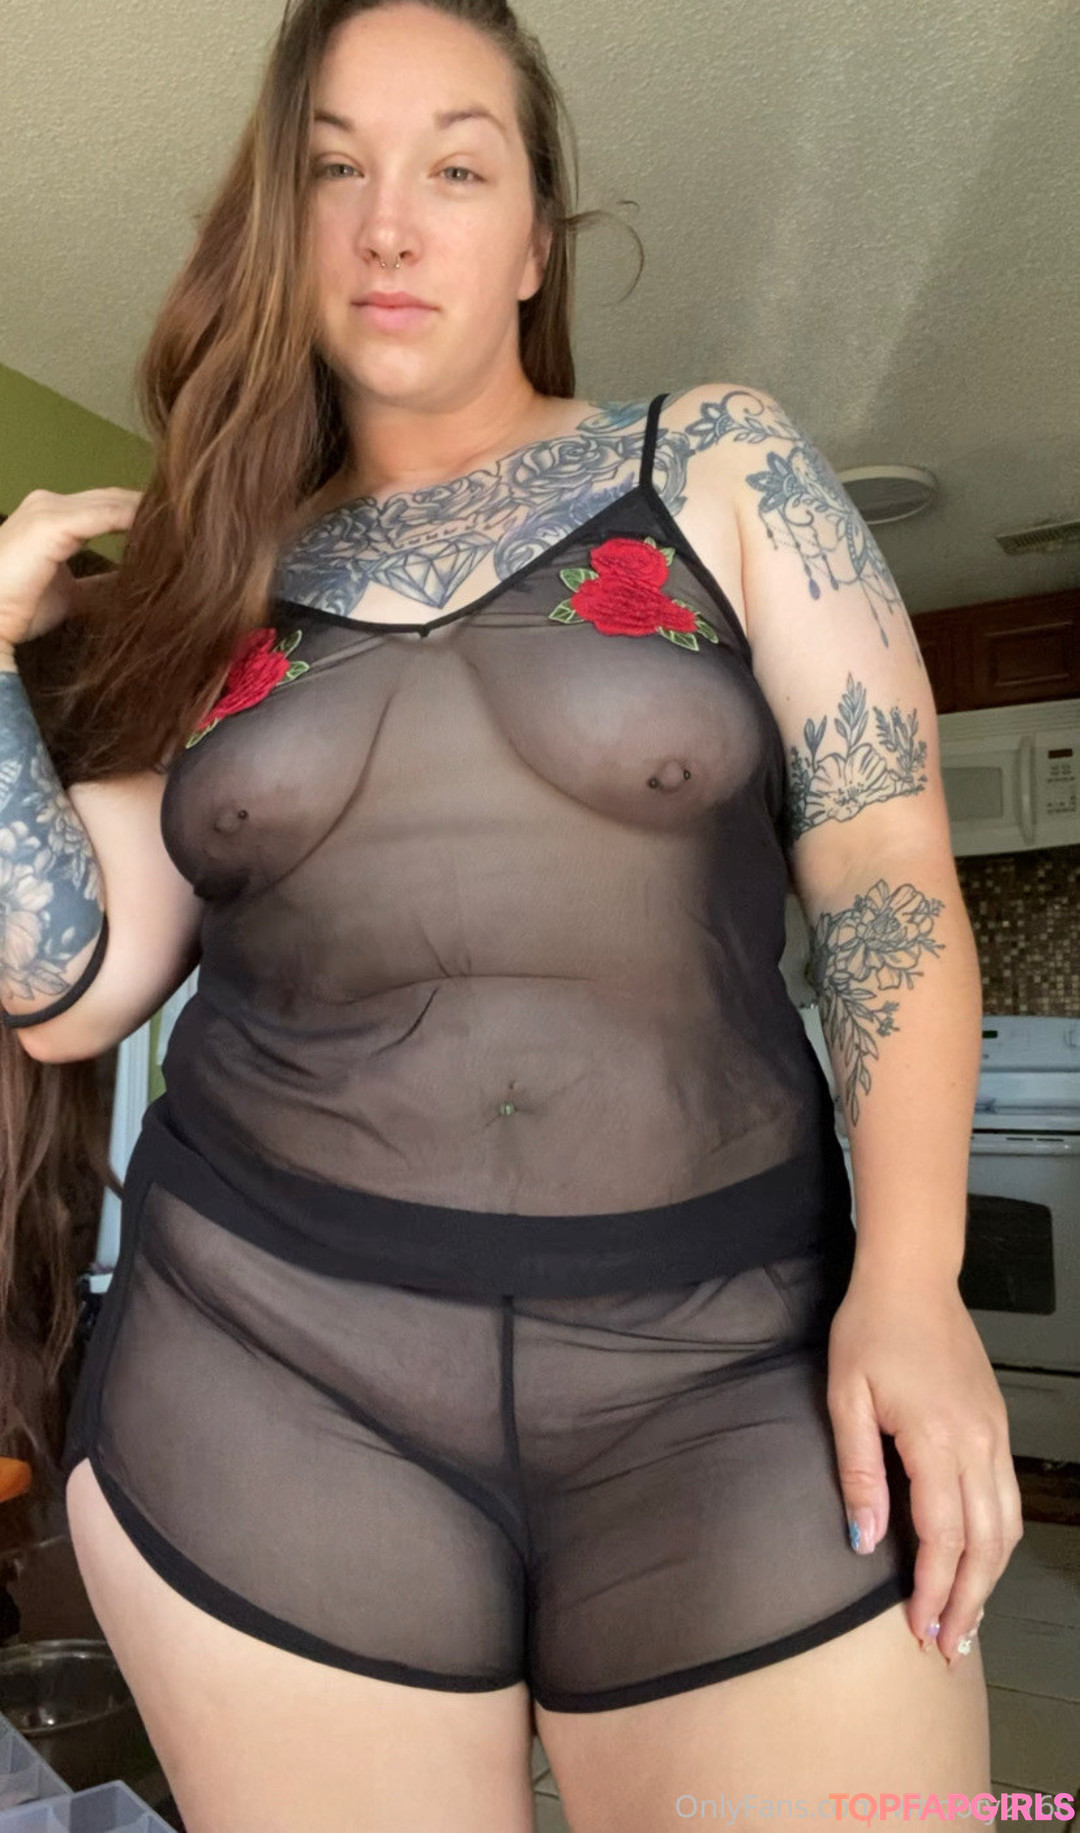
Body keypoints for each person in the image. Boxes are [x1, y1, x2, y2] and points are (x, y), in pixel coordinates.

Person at [0, 1, 1022, 1827]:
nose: (391, 223)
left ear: (538, 237)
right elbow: (61, 982)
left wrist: (915, 1281)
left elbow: (882, 870)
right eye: (336, 168)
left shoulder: (719, 461)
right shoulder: (218, 579)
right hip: (269, 1370)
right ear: (282, 222)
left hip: (737, 1366)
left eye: (456, 169)